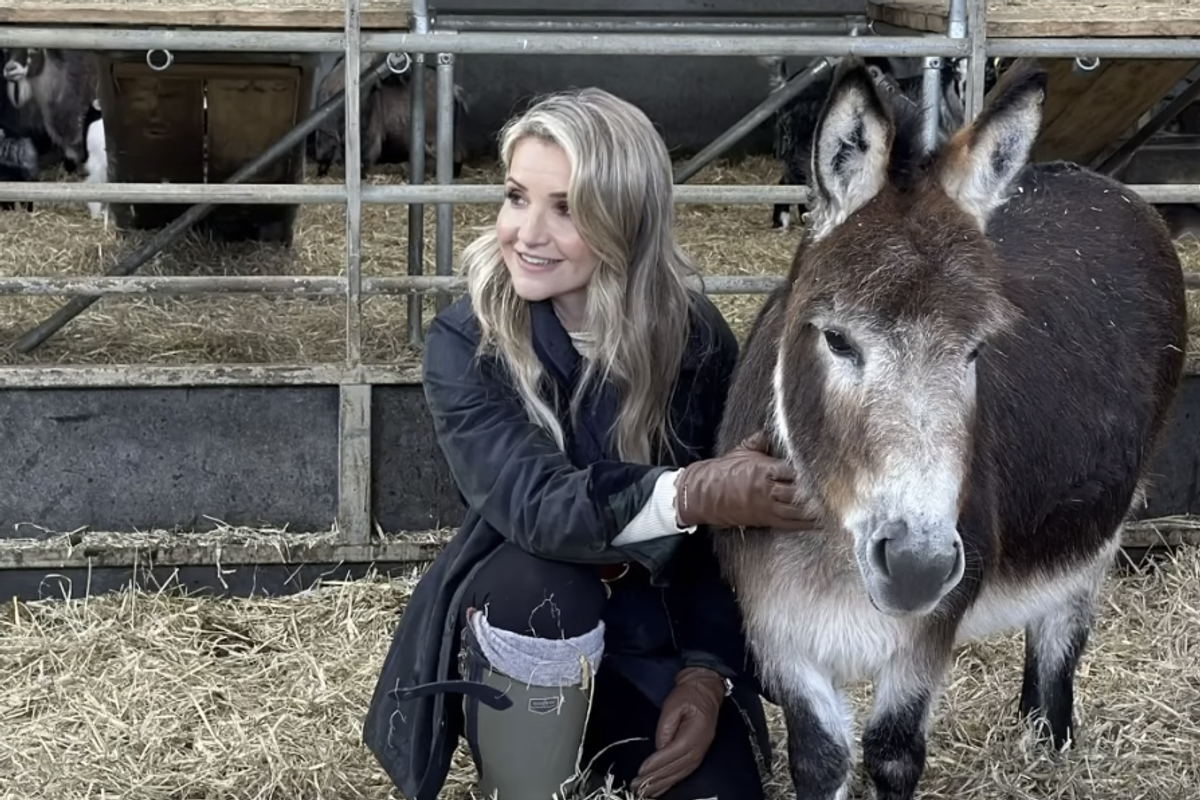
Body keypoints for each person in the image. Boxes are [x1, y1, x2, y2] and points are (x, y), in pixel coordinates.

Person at [362, 86, 819, 800]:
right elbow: (541, 508)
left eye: (567, 208)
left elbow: (721, 549)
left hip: (651, 640)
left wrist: (706, 672)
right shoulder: (468, 341)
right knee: (550, 586)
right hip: (528, 623)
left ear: (626, 220)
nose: (527, 232)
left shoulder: (695, 340)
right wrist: (696, 490)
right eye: (517, 196)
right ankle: (521, 783)